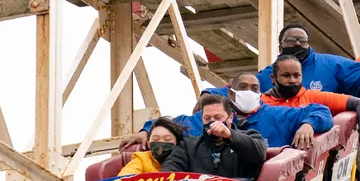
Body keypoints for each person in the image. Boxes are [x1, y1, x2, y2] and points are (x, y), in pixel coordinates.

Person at [125, 73, 334, 150]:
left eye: (255, 89)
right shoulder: (199, 121)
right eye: (243, 88)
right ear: (231, 94)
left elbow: (321, 111)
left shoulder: (277, 115)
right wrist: (145, 132)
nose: (250, 92)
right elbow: (168, 122)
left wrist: (308, 124)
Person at [261, 54, 360, 176]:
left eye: (296, 75)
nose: (292, 80)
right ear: (273, 78)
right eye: (286, 75)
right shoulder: (261, 103)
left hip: (306, 171)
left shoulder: (314, 97)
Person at [258, 23, 360, 103]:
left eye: (302, 40)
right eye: (291, 40)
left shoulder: (332, 65)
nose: (297, 43)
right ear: (280, 47)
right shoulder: (264, 77)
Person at [160, 94, 267, 181]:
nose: (212, 122)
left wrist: (230, 135)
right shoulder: (188, 145)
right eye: (207, 118)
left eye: (217, 118)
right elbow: (170, 169)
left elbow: (258, 154)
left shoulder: (251, 136)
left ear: (230, 117)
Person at [118, 117, 184, 176]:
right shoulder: (142, 159)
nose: (161, 142)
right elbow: (125, 177)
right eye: (155, 139)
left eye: (167, 139)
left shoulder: (185, 159)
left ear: (177, 144)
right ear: (149, 144)